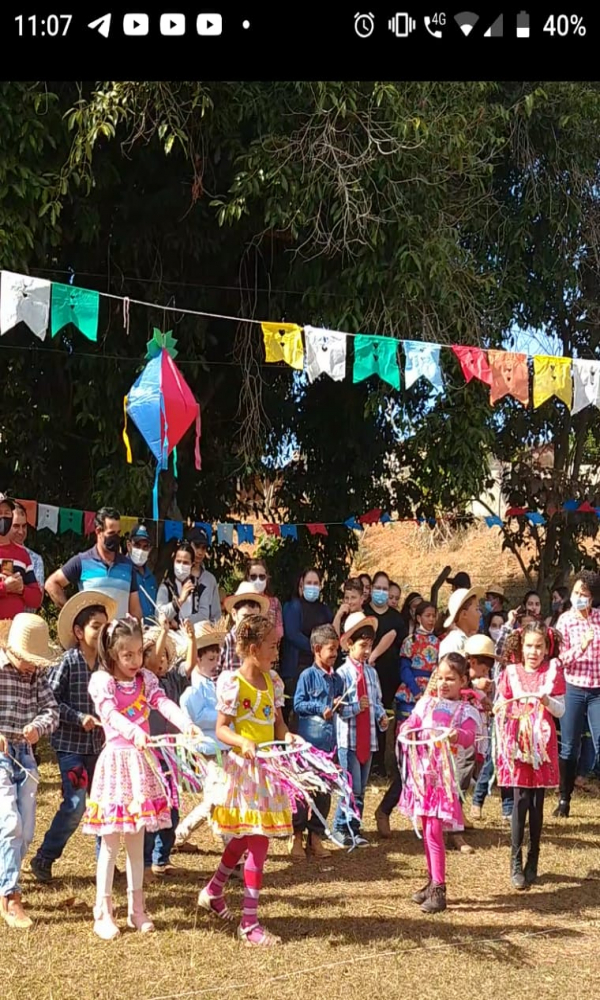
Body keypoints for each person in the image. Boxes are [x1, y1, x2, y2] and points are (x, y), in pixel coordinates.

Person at [81, 616, 200, 939]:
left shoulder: (146, 680)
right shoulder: (102, 683)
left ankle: (137, 908)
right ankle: (102, 910)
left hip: (141, 763)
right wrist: (135, 733)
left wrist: (185, 722)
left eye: (137, 653)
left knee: (136, 840)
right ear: (112, 654)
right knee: (109, 843)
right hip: (117, 764)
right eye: (127, 655)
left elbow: (162, 703)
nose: (135, 661)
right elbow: (111, 716)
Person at [198, 614, 299, 946]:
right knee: (258, 841)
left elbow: (278, 724)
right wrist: (242, 742)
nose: (277, 652)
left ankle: (214, 891)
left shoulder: (274, 683)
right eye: (272, 646)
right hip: (244, 773)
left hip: (268, 770)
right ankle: (249, 922)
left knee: (246, 838)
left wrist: (289, 738)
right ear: (254, 649)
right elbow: (222, 728)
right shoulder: (233, 683)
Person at [29, 591, 116, 884]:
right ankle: (45, 857)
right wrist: (80, 718)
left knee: (103, 804)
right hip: (70, 748)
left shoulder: (108, 665)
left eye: (105, 625)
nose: (102, 631)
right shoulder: (68, 661)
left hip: (100, 748)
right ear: (79, 631)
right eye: (95, 626)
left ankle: (106, 862)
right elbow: (50, 700)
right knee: (76, 803)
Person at [399, 652, 481, 914]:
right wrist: (405, 728)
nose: (444, 684)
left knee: (434, 830)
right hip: (423, 777)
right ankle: (432, 880)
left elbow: (469, 737)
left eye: (451, 679)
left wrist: (457, 735)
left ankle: (439, 889)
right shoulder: (427, 704)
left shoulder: (466, 711)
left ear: (463, 681)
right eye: (441, 678)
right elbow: (412, 723)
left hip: (444, 780)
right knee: (426, 829)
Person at [0, 614, 59, 928]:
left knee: (26, 828)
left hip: (24, 753)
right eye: (29, 660)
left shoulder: (36, 677)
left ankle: (6, 876)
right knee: (10, 823)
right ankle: (10, 896)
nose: (33, 667)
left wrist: (37, 728)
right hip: (1, 753)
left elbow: (52, 710)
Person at [495, 623, 565, 888]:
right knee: (520, 798)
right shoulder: (511, 673)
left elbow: (561, 710)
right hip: (518, 744)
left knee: (537, 803)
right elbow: (499, 704)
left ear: (546, 648)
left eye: (539, 646)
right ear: (520, 647)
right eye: (529, 646)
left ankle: (533, 858)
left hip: (542, 746)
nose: (533, 652)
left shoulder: (553, 672)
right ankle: (515, 859)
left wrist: (547, 701)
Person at [375, 601, 439, 837]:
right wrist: (416, 690)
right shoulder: (409, 642)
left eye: (434, 616)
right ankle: (384, 809)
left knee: (427, 764)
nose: (431, 620)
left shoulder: (438, 643)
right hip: (410, 699)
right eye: (428, 615)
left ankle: (426, 817)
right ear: (418, 616)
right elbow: (404, 669)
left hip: (431, 700)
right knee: (408, 763)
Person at [142, 618, 193, 877]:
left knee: (172, 807)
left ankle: (162, 858)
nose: (160, 660)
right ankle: (146, 860)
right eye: (154, 655)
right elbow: (149, 664)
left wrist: (192, 640)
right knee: (153, 808)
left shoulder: (172, 679)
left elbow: (190, 666)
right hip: (149, 753)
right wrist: (162, 631)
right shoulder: (143, 680)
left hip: (170, 753)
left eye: (164, 656)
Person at [332, 612, 388, 847]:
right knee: (350, 786)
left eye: (370, 645)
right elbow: (338, 708)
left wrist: (382, 717)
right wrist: (356, 706)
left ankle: (354, 827)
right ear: (349, 645)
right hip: (349, 739)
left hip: (369, 738)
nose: (366, 650)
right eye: (362, 645)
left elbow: (377, 702)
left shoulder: (372, 673)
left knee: (361, 787)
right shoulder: (342, 674)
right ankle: (338, 827)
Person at [175, 620, 230, 848]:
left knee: (219, 795)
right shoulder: (193, 690)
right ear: (196, 659)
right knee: (218, 796)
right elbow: (194, 718)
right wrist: (222, 714)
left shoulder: (211, 684)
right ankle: (181, 833)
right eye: (210, 659)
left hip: (220, 747)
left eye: (217, 659)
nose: (216, 664)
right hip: (207, 749)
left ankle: (186, 833)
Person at [292, 624, 343, 858]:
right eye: (331, 649)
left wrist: (344, 705)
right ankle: (297, 836)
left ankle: (316, 836)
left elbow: (340, 710)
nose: (334, 654)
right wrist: (319, 707)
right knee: (304, 792)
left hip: (328, 747)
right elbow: (298, 705)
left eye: (336, 649)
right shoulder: (307, 676)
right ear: (316, 649)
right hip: (308, 745)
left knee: (324, 793)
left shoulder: (337, 680)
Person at [554, 570, 600, 818]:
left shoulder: (599, 619)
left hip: (597, 691)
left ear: (592, 598)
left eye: (584, 594)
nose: (578, 597)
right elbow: (560, 659)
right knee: (569, 747)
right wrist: (581, 647)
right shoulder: (565, 621)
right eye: (576, 592)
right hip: (573, 687)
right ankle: (564, 798)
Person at [45, 507, 142, 620]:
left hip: (119, 635)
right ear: (98, 532)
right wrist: (72, 614)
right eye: (111, 533)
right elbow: (51, 584)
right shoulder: (81, 561)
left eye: (118, 533)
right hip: (92, 635)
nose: (116, 537)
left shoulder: (128, 566)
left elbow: (135, 609)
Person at [281, 568, 332, 714]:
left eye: (316, 583)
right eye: (309, 583)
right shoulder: (292, 606)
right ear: (302, 585)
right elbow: (292, 634)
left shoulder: (324, 610)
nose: (312, 586)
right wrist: (316, 647)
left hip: (318, 668)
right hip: (296, 669)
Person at [0, 494, 42, 619]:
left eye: (7, 512)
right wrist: (5, 587)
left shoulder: (22, 554)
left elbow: (36, 599)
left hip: (15, 632)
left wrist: (21, 588)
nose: (3, 517)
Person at [157, 540, 217, 627]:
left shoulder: (200, 587)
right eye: (178, 561)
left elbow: (204, 616)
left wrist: (179, 623)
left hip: (193, 636)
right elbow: (159, 615)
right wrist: (180, 600)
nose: (181, 566)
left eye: (185, 563)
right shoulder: (166, 586)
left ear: (192, 565)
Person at [219, 583, 271, 674]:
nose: (250, 621)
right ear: (234, 614)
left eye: (255, 617)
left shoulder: (261, 642)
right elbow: (213, 675)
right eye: (245, 616)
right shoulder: (225, 641)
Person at [11, 503, 45, 604]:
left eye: (24, 526)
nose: (21, 532)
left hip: (26, 617)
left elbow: (38, 599)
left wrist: (20, 588)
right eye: (16, 526)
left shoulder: (35, 559)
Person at [186, 526, 220, 622]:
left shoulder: (210, 579)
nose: (200, 552)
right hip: (179, 631)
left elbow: (216, 616)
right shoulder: (178, 575)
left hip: (204, 634)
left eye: (204, 548)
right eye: (196, 546)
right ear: (188, 545)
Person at [245, 557, 283, 641]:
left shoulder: (274, 602)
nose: (258, 580)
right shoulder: (241, 603)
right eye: (253, 576)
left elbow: (280, 632)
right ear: (248, 577)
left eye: (261, 576)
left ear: (267, 577)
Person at [126, 523, 157, 625]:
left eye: (145, 547)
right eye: (137, 545)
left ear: (150, 549)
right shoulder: (123, 573)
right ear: (129, 546)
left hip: (152, 633)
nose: (141, 550)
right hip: (130, 632)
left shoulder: (151, 578)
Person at [439, 587, 482, 657]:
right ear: (464, 614)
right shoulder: (453, 643)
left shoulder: (469, 640)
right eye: (476, 609)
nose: (480, 614)